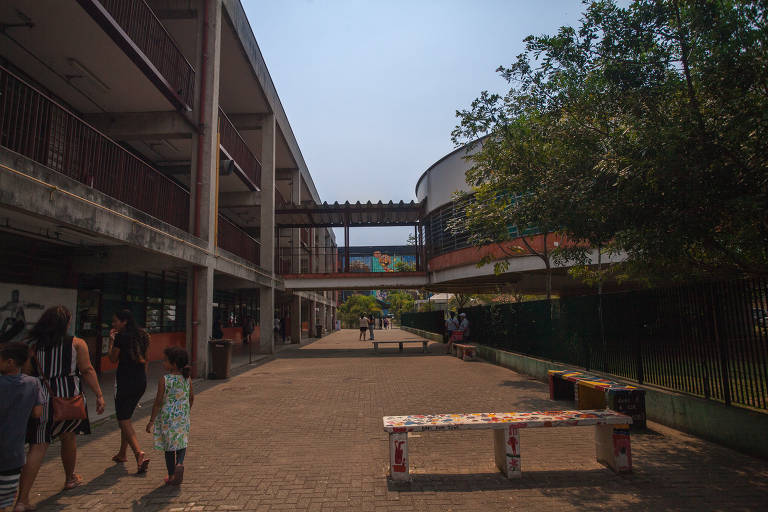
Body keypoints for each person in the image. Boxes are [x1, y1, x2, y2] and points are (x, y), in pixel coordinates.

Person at [16, 306, 105, 510]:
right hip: (69, 399)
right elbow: (87, 370)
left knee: (37, 447)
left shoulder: (32, 346)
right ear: (64, 323)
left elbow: (28, 373)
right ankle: (69, 478)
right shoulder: (76, 344)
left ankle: (22, 499)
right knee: (68, 436)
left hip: (41, 400)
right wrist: (99, 394)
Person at [0, 343, 44, 512]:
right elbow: (37, 413)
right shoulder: (33, 383)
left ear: (10, 362)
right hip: (13, 453)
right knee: (4, 502)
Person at [108, 310, 150, 474]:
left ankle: (138, 454)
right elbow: (146, 359)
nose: (114, 324)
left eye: (116, 321)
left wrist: (111, 341)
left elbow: (112, 359)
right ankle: (122, 452)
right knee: (127, 417)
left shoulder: (121, 337)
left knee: (123, 419)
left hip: (125, 381)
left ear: (124, 322)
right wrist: (143, 378)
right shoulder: (144, 336)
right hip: (140, 381)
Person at [146, 347, 193, 486]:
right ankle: (180, 463)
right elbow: (191, 397)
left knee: (169, 448)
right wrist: (186, 410)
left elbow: (158, 402)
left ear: (173, 364)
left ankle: (172, 475)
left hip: (167, 419)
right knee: (181, 442)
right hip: (182, 417)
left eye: (165, 360)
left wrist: (151, 420)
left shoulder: (165, 380)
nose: (163, 363)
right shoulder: (187, 379)